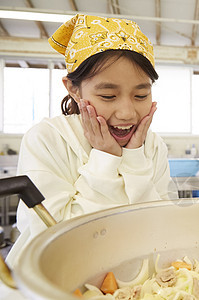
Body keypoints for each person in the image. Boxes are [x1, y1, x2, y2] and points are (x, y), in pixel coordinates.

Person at [6, 14, 177, 268]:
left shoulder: (151, 146)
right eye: (108, 96)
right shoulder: (48, 140)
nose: (127, 113)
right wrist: (105, 159)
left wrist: (134, 158)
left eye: (141, 94)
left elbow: (164, 226)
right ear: (73, 89)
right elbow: (56, 243)